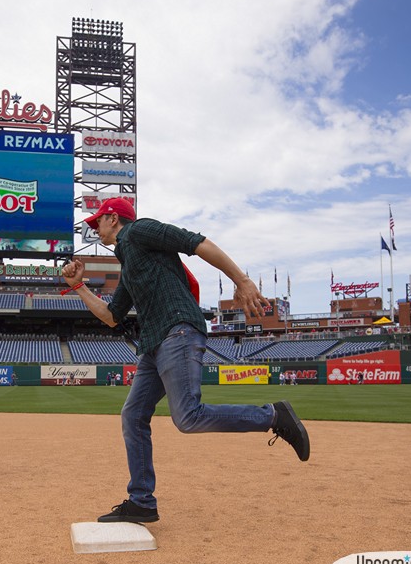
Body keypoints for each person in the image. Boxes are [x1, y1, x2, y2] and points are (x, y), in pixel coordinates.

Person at [62, 197, 309, 523]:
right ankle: (141, 502)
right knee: (133, 416)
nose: (95, 228)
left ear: (113, 218)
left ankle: (274, 415)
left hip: (176, 331)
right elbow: (110, 316)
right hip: (153, 345)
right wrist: (78, 286)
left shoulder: (140, 230)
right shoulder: (129, 260)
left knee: (188, 416)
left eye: (98, 222)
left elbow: (197, 243)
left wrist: (241, 279)